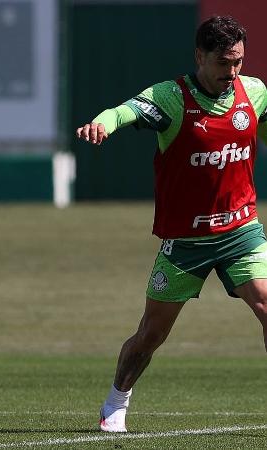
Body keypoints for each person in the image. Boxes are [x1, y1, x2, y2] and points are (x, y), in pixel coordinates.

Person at [76, 16, 267, 433]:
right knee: (151, 335)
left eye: (237, 61)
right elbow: (124, 111)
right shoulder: (171, 98)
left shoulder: (254, 92)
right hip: (186, 242)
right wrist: (102, 125)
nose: (231, 72)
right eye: (222, 62)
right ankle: (116, 402)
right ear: (200, 56)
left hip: (241, 232)